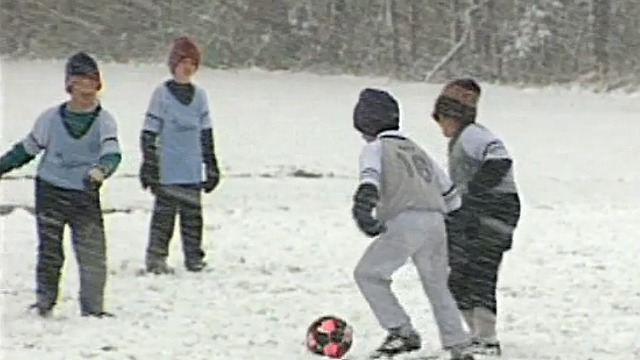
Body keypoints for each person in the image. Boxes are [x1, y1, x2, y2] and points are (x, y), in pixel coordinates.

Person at [351, 88, 474, 360]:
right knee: (437, 284)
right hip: (436, 221)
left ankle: (401, 331)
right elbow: (451, 197)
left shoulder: (375, 148)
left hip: (405, 220)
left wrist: (363, 211)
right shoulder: (417, 149)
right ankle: (458, 344)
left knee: (369, 274)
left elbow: (369, 182)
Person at [0, 52, 121, 318]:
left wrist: (102, 170)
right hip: (51, 190)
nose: (86, 88)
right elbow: (27, 149)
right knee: (50, 249)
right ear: (70, 86)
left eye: (91, 81)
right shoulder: (50, 118)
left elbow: (112, 152)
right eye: (79, 82)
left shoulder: (104, 120)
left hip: (85, 192)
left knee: (92, 253)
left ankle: (93, 308)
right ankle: (45, 301)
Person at [431, 78, 521, 356]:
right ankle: (476, 333)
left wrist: (473, 197)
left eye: (442, 118)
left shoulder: (474, 135)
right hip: (474, 214)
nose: (440, 126)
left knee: (479, 273)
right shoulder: (462, 139)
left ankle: (487, 338)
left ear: (453, 115)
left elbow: (500, 161)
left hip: (494, 212)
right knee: (459, 276)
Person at [140, 36, 220, 274]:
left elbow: (206, 132)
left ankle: (194, 257)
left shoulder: (200, 96)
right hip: (168, 169)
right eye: (184, 61)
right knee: (164, 219)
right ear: (174, 64)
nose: (188, 67)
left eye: (193, 62)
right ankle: (156, 258)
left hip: (192, 168)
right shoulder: (161, 94)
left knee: (193, 218)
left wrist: (211, 164)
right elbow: (149, 132)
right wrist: (150, 164)